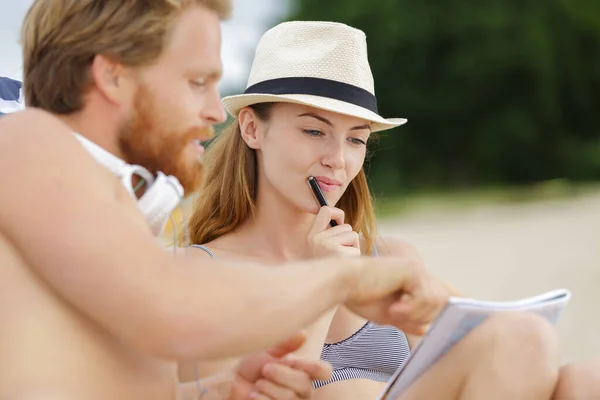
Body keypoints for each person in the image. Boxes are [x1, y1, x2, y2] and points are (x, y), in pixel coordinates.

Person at [0, 2, 453, 400]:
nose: (217, 112)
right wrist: (337, 279)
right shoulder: (28, 140)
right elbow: (174, 308)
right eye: (197, 81)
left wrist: (214, 392)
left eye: (356, 140)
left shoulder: (111, 207)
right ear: (113, 76)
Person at [181, 20, 598, 399]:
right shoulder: (197, 273)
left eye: (356, 140)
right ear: (253, 128)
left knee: (583, 377)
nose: (338, 160)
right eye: (314, 130)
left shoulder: (391, 259)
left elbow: (497, 360)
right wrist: (325, 284)